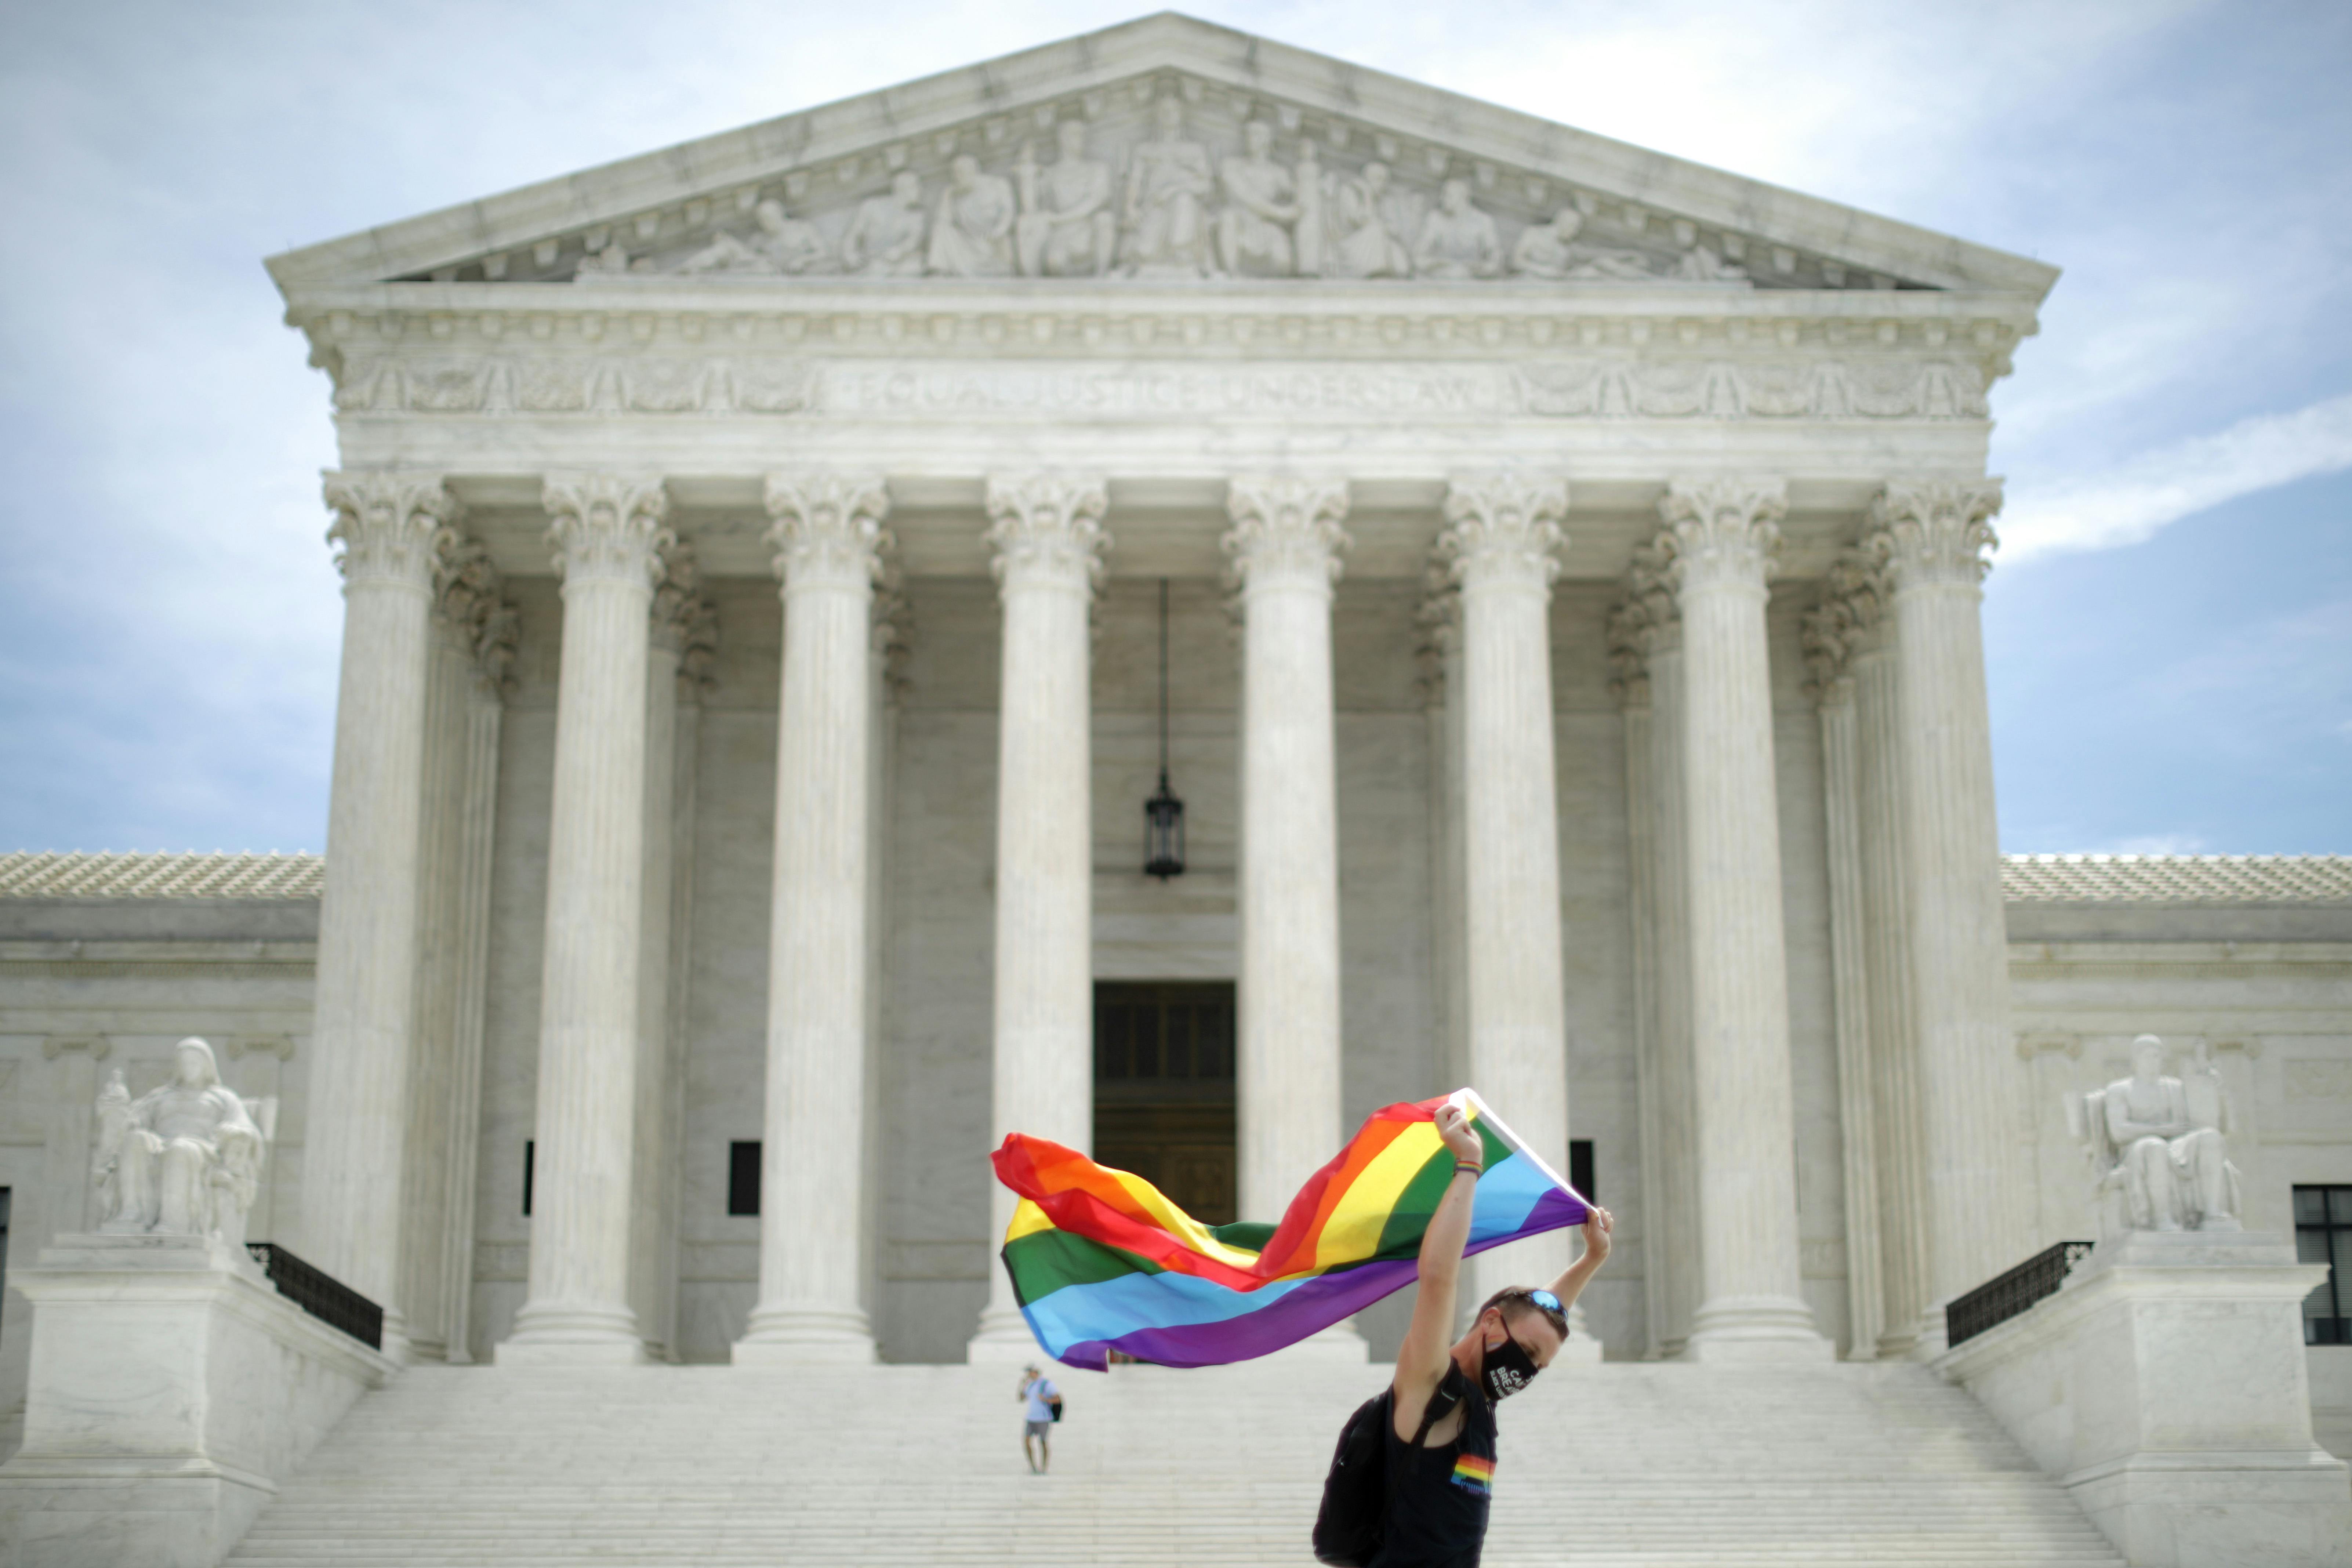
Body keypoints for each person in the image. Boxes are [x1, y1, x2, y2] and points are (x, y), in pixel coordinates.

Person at [1378, 1101, 1612, 1566]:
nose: (1526, 1371)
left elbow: (1536, 1319)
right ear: (1489, 1324)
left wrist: (1591, 1260)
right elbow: (1439, 1276)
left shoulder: (1480, 1397)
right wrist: (1468, 1165)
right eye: (1526, 1353)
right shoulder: (1429, 1382)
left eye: (1539, 1365)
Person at [1017, 1364, 1060, 1474]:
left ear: (1035, 1372)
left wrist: (1045, 1399)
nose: (1028, 1375)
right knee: (1027, 1442)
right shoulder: (1030, 1385)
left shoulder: (1046, 1384)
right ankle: (1033, 1467)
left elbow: (1057, 1399)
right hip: (1031, 1418)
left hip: (1043, 1418)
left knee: (1043, 1442)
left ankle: (1044, 1467)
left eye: (1030, 1372)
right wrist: (1022, 1385)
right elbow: (1021, 1399)